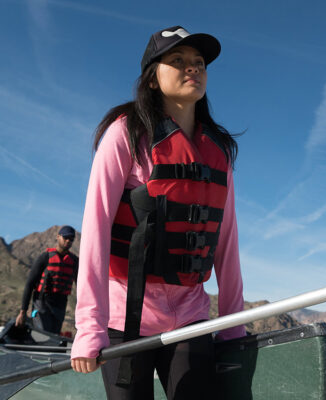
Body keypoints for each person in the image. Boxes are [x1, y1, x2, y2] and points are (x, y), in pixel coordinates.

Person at [71, 25, 246, 400]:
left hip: (190, 316)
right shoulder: (124, 134)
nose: (192, 68)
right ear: (152, 79)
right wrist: (89, 325)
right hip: (125, 317)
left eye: (199, 63)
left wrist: (233, 326)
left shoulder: (219, 150)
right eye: (178, 60)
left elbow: (226, 243)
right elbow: (96, 229)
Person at [15, 225, 79, 335]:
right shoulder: (44, 258)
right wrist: (23, 312)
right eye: (65, 238)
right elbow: (29, 284)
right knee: (42, 335)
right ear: (58, 237)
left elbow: (81, 286)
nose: (68, 241)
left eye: (71, 239)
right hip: (42, 303)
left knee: (54, 337)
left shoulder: (74, 261)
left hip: (60, 305)